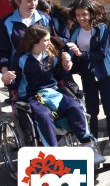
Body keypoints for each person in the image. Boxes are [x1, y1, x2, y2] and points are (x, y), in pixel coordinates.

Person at [1, 25, 104, 163]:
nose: (49, 43)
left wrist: (66, 66)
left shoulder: (51, 54)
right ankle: (53, 153)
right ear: (34, 42)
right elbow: (14, 83)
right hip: (31, 95)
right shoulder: (21, 58)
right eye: (46, 40)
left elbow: (59, 76)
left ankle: (87, 145)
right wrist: (7, 79)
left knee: (75, 106)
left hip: (53, 91)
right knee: (43, 115)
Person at [68, 0, 110, 156]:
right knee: (91, 110)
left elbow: (101, 53)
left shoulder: (102, 28)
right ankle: (94, 142)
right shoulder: (75, 30)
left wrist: (81, 53)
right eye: (78, 15)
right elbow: (70, 49)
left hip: (105, 72)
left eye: (84, 14)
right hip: (87, 73)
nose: (81, 18)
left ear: (91, 14)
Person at [0, 0, 51, 77]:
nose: (33, 4)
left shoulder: (45, 18)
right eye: (29, 1)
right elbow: (3, 50)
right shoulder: (6, 22)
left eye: (35, 0)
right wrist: (5, 72)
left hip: (43, 72)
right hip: (18, 75)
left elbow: (52, 45)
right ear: (18, 1)